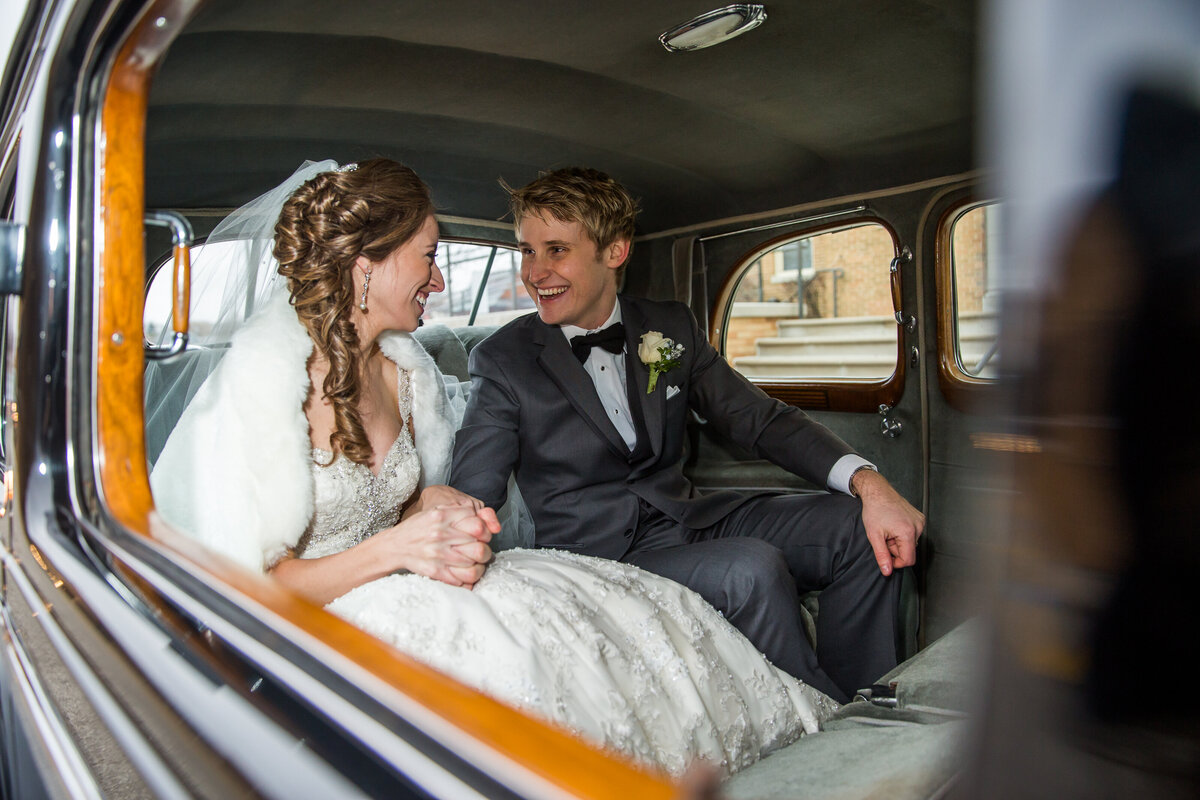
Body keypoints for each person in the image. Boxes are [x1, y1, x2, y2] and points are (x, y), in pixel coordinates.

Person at [148, 158, 838, 777]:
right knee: (518, 672)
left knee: (612, 630)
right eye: (427, 256)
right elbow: (241, 593)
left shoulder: (404, 374)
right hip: (333, 611)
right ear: (368, 266)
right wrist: (397, 546)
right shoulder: (266, 386)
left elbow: (414, 497)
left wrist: (442, 508)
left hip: (433, 572)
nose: (440, 278)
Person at [450, 167, 926, 703]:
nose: (534, 273)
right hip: (601, 556)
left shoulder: (668, 326)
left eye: (555, 250)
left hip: (689, 517)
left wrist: (869, 483)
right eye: (526, 251)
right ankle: (828, 721)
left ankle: (867, 700)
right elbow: (474, 484)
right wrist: (451, 538)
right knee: (751, 568)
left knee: (857, 527)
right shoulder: (503, 359)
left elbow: (759, 420)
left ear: (615, 251)